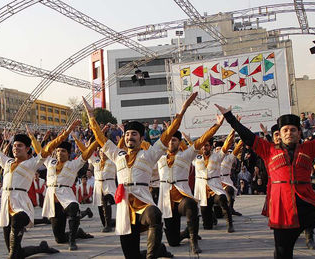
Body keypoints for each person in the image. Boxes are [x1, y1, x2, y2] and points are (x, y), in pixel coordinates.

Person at [83, 93, 197, 259]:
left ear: (141, 138)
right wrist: (91, 115)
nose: (130, 137)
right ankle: (159, 250)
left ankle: (152, 256)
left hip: (143, 202)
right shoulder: (117, 155)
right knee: (132, 256)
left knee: (154, 214)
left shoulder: (149, 154)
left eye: (134, 134)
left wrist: (183, 109)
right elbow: (100, 138)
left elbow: (168, 133)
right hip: (124, 207)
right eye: (127, 134)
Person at [216, 103, 315, 259]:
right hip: (283, 210)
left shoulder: (309, 148)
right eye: (285, 130)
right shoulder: (268, 149)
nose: (289, 133)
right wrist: (229, 116)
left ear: (299, 133)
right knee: (282, 254)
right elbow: (246, 135)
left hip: (307, 205)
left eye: (293, 130)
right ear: (280, 134)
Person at [0, 129, 59, 258]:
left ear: (27, 149)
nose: (16, 148)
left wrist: (66, 133)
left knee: (18, 221)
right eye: (14, 145)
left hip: (21, 204)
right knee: (15, 253)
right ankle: (41, 248)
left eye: (20, 145)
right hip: (6, 205)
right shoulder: (7, 161)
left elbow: (48, 148)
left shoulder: (32, 163)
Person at [29, 121, 98, 251]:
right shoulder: (50, 162)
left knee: (74, 208)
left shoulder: (73, 164)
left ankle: (72, 241)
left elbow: (87, 153)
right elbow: (40, 150)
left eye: (64, 151)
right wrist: (32, 137)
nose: (60, 153)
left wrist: (98, 139)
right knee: (59, 238)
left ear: (69, 153)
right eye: (58, 150)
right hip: (53, 200)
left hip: (66, 196)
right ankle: (78, 233)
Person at [158, 119, 223, 254]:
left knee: (191, 205)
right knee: (173, 242)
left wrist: (217, 125)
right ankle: (187, 232)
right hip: (166, 202)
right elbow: (143, 145)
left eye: (174, 140)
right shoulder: (159, 157)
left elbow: (201, 140)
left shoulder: (186, 155)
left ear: (179, 142)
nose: (171, 142)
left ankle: (194, 242)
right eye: (169, 140)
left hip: (181, 198)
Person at [193, 126, 235, 233]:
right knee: (207, 227)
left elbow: (226, 145)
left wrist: (233, 130)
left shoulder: (218, 156)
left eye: (206, 146)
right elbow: (187, 148)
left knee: (222, 198)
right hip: (203, 192)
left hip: (215, 189)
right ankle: (212, 218)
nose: (204, 148)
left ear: (211, 146)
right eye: (202, 146)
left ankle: (229, 224)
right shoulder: (196, 158)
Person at [75, 136, 116, 232]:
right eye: (101, 152)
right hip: (98, 185)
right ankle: (108, 222)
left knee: (107, 201)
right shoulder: (96, 161)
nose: (103, 154)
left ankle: (108, 225)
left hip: (109, 185)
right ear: (98, 153)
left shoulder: (113, 161)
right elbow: (86, 151)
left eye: (105, 152)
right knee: (100, 205)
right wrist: (77, 141)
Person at [220, 137, 244, 216]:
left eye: (220, 149)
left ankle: (230, 209)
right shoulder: (212, 157)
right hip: (215, 180)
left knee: (230, 190)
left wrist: (242, 139)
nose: (218, 151)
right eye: (217, 149)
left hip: (226, 179)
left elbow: (236, 150)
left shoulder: (229, 158)